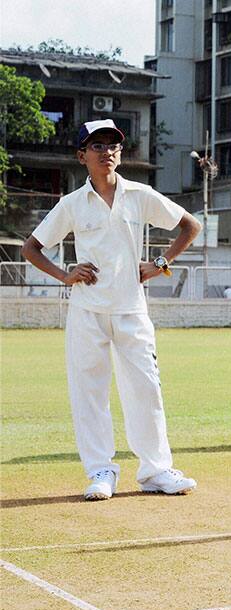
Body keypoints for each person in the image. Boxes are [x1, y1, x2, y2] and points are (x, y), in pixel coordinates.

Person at [21, 119, 202, 500]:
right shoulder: (71, 204)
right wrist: (64, 275)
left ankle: (155, 471)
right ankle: (101, 471)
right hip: (87, 312)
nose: (107, 151)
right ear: (81, 155)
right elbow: (31, 248)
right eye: (97, 145)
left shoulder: (140, 194)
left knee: (146, 390)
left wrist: (161, 264)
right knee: (90, 392)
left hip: (132, 310)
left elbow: (190, 225)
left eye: (113, 145)